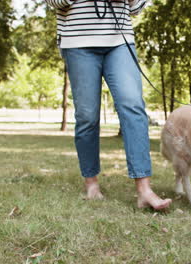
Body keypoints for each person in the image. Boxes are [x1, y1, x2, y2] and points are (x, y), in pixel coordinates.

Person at [44, 0, 172, 210]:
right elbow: (54, 3)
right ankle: (91, 184)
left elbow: (136, 7)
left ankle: (144, 190)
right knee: (87, 116)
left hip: (120, 40)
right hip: (77, 42)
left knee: (133, 107)